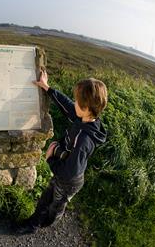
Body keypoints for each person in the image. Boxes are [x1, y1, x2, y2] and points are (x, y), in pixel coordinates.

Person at [16, 69, 107, 234]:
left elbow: (70, 172)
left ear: (86, 108)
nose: (74, 103)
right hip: (66, 171)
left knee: (56, 206)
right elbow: (67, 106)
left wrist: (51, 159)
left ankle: (45, 223)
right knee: (46, 199)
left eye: (77, 101)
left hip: (69, 180)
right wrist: (47, 88)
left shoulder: (84, 139)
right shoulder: (86, 119)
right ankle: (34, 223)